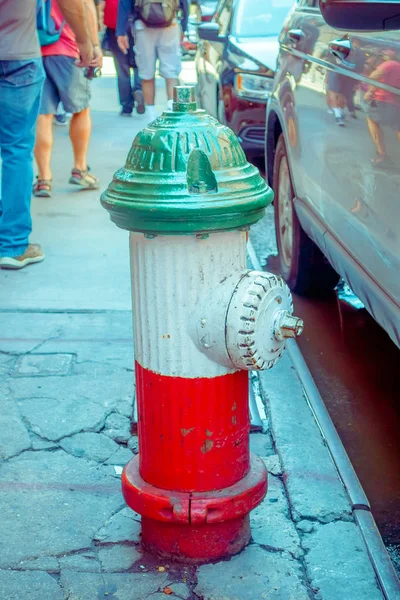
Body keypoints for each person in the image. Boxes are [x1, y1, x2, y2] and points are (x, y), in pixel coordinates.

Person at [0, 0, 94, 270]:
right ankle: (13, 245)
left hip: (23, 56)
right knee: (16, 151)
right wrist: (86, 42)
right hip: (19, 56)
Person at [33, 0, 103, 198]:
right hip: (68, 47)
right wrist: (93, 45)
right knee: (81, 109)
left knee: (43, 114)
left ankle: (43, 179)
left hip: (35, 47)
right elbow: (85, 6)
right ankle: (80, 169)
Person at [116, 0, 188, 121]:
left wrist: (120, 31)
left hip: (143, 25)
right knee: (171, 72)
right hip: (170, 24)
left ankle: (151, 115)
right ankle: (171, 111)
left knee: (147, 73)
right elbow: (184, 3)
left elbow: (124, 3)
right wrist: (184, 26)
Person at [102, 0, 144, 116]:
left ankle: (126, 106)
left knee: (122, 70)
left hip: (115, 29)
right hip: (138, 27)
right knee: (139, 64)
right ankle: (139, 89)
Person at [364, 50, 400, 166]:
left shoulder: (390, 64)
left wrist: (370, 90)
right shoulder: (397, 66)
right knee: (397, 128)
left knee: (372, 120)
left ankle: (382, 154)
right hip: (394, 102)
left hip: (383, 100)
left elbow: (374, 76)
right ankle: (382, 155)